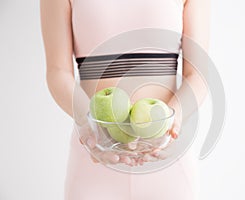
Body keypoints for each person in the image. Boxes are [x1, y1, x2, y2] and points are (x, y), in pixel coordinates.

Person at [40, 0, 210, 199]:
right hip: (94, 160)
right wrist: (90, 126)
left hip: (168, 163)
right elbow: (58, 71)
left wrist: (173, 119)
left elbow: (198, 75)